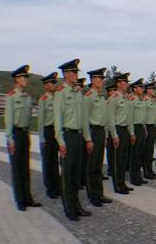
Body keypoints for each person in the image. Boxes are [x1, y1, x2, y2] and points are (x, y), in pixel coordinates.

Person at [54, 59, 92, 221]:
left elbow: (83, 119)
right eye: (74, 72)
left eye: (77, 72)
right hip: (67, 136)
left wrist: (88, 139)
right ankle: (69, 208)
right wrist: (60, 141)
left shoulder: (78, 92)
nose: (77, 75)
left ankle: (76, 205)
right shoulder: (61, 92)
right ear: (66, 74)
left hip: (78, 136)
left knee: (76, 175)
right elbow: (57, 119)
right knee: (68, 175)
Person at [4, 64, 41, 211]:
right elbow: (8, 119)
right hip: (15, 134)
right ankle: (20, 200)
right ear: (17, 79)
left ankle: (28, 198)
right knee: (17, 169)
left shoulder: (27, 97)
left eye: (26, 77)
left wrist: (28, 134)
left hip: (25, 134)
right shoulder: (11, 96)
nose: (26, 79)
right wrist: (10, 139)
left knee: (25, 168)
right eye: (24, 77)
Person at [82, 68, 113, 207]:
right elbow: (84, 120)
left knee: (98, 166)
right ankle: (92, 195)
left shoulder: (101, 97)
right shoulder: (88, 96)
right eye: (100, 79)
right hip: (93, 132)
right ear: (93, 80)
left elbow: (105, 118)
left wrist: (106, 135)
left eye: (103, 79)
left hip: (101, 132)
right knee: (92, 166)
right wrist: (88, 139)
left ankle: (99, 194)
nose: (102, 81)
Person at [106, 72, 134, 194]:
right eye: (124, 82)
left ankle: (122, 183)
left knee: (123, 159)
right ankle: (117, 185)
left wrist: (131, 133)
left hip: (125, 130)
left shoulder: (125, 98)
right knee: (117, 160)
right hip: (117, 129)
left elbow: (129, 118)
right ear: (118, 83)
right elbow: (110, 119)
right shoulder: (114, 98)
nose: (127, 84)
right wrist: (114, 135)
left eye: (127, 82)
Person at [38, 71, 61, 199]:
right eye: (51, 83)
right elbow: (40, 121)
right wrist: (42, 138)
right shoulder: (43, 99)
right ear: (46, 85)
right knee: (48, 161)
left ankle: (56, 186)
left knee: (55, 160)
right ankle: (50, 188)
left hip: (56, 130)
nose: (53, 85)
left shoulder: (57, 97)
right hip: (47, 131)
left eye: (54, 82)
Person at [129, 78, 148, 186]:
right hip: (135, 128)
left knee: (140, 154)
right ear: (135, 89)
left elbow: (143, 117)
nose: (142, 89)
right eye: (141, 87)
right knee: (135, 155)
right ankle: (134, 177)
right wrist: (132, 133)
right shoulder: (132, 99)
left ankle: (138, 176)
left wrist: (144, 128)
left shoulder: (140, 100)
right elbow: (130, 118)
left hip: (141, 127)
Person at [143, 82, 156, 179]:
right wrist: (145, 129)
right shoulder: (145, 101)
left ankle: (150, 170)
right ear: (148, 90)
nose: (155, 91)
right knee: (147, 151)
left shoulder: (152, 101)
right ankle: (147, 171)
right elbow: (143, 117)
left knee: (150, 150)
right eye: (153, 89)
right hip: (146, 127)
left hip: (152, 127)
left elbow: (155, 117)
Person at [104, 83, 116, 179]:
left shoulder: (114, 101)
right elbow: (107, 118)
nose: (114, 93)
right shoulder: (108, 102)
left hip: (115, 129)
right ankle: (110, 169)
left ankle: (114, 168)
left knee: (114, 151)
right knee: (110, 151)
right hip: (108, 130)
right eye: (112, 91)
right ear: (109, 93)